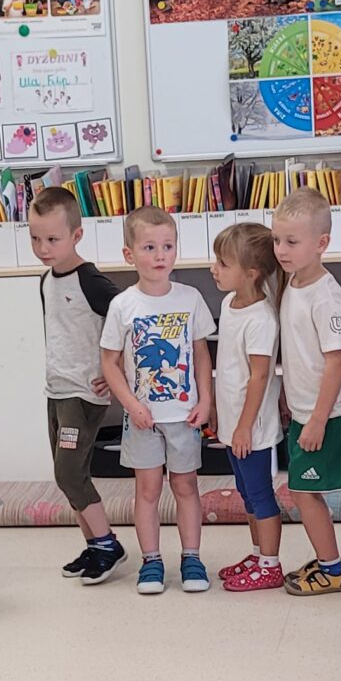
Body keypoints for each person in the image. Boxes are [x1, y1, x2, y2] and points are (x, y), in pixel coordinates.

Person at [98, 206, 216, 594]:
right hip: (143, 419)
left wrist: (206, 399)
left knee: (186, 487)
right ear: (129, 254)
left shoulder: (190, 298)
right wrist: (131, 405)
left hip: (184, 416)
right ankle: (151, 560)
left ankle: (191, 557)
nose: (160, 255)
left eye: (167, 246)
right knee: (147, 491)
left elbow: (201, 354)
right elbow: (110, 362)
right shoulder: (123, 305)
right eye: (149, 247)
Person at [30, 185, 125, 583]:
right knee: (70, 474)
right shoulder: (45, 280)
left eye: (53, 239)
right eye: (35, 238)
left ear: (76, 235)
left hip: (83, 395)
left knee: (68, 473)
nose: (43, 248)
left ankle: (107, 545)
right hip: (56, 390)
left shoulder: (91, 281)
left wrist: (115, 370)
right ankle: (93, 546)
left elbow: (127, 319)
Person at [271, 189, 341, 594]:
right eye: (277, 240)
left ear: (321, 243)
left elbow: (337, 362)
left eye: (292, 241)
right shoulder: (293, 282)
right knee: (301, 488)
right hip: (304, 408)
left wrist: (318, 420)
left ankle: (333, 568)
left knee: (303, 491)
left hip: (327, 413)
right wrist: (288, 395)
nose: (281, 250)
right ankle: (327, 560)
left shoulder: (326, 297)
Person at [207, 221, 287, 592]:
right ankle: (257, 555)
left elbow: (259, 376)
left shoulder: (261, 318)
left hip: (251, 428)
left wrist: (243, 426)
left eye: (223, 263)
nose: (214, 269)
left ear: (251, 273)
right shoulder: (229, 303)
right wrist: (217, 407)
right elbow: (226, 365)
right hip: (232, 422)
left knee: (260, 493)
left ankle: (270, 564)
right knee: (245, 493)